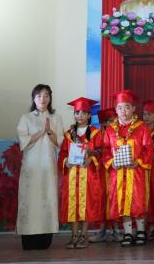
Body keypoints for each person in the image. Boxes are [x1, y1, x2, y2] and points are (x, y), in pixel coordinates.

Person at [101, 90, 153, 246]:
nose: (123, 111)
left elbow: (148, 148)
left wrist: (138, 161)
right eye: (120, 108)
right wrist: (111, 162)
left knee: (138, 200)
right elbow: (105, 150)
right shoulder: (110, 130)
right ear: (116, 110)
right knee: (122, 201)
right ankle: (128, 233)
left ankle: (141, 231)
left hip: (136, 171)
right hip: (118, 173)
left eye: (127, 107)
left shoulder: (142, 127)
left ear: (133, 108)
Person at [16, 84, 65, 249]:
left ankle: (45, 238)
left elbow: (60, 143)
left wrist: (49, 131)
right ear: (33, 98)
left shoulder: (56, 118)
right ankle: (28, 238)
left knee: (47, 197)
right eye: (39, 96)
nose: (42, 99)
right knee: (30, 199)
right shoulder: (26, 118)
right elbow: (23, 141)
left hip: (48, 167)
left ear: (50, 98)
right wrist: (41, 132)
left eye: (46, 96)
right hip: (31, 167)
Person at [58, 97, 104, 249]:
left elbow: (101, 153)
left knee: (86, 205)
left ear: (89, 115)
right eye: (77, 113)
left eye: (84, 113)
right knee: (73, 205)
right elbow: (63, 153)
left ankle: (83, 235)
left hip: (88, 175)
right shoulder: (69, 134)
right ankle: (74, 235)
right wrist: (66, 161)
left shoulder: (96, 133)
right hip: (72, 174)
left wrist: (92, 159)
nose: (80, 116)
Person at [89, 108, 119, 243]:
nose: (114, 123)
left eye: (115, 120)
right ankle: (102, 231)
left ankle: (116, 230)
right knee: (102, 200)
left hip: (115, 170)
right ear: (104, 123)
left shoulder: (118, 134)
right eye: (111, 121)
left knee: (115, 199)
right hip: (101, 172)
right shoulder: (98, 135)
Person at [142, 100, 154, 241]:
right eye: (144, 114)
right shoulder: (139, 130)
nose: (146, 117)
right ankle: (143, 229)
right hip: (142, 167)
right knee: (144, 198)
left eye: (149, 114)